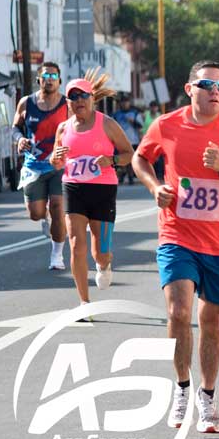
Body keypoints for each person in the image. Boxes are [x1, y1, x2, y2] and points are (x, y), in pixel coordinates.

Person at [133, 60, 219, 433]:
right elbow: (142, 158)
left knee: (212, 321)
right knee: (178, 311)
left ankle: (207, 394)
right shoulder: (167, 125)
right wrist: (156, 187)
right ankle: (182, 388)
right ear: (190, 89)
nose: (216, 91)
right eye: (207, 84)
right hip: (177, 235)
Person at [49, 72, 133, 309]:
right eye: (73, 97)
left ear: (92, 97)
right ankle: (84, 302)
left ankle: (104, 264)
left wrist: (112, 160)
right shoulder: (63, 128)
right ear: (68, 102)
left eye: (83, 96)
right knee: (75, 243)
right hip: (73, 187)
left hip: (103, 190)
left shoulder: (107, 124)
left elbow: (130, 154)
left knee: (100, 253)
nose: (78, 101)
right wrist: (55, 159)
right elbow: (57, 163)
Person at [12, 62, 68, 270]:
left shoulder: (67, 105)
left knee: (57, 206)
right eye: (46, 76)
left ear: (59, 81)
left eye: (54, 76)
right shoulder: (26, 103)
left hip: (59, 166)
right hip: (33, 166)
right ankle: (43, 217)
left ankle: (57, 256)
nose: (50, 79)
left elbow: (77, 130)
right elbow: (16, 128)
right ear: (39, 80)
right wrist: (19, 139)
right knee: (35, 213)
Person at [112, 96, 143, 185]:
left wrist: (133, 121)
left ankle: (130, 178)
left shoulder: (135, 113)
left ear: (129, 103)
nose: (124, 104)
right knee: (120, 160)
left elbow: (140, 126)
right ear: (120, 103)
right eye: (123, 102)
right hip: (119, 141)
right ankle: (121, 175)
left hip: (133, 140)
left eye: (126, 102)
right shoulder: (116, 114)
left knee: (131, 160)